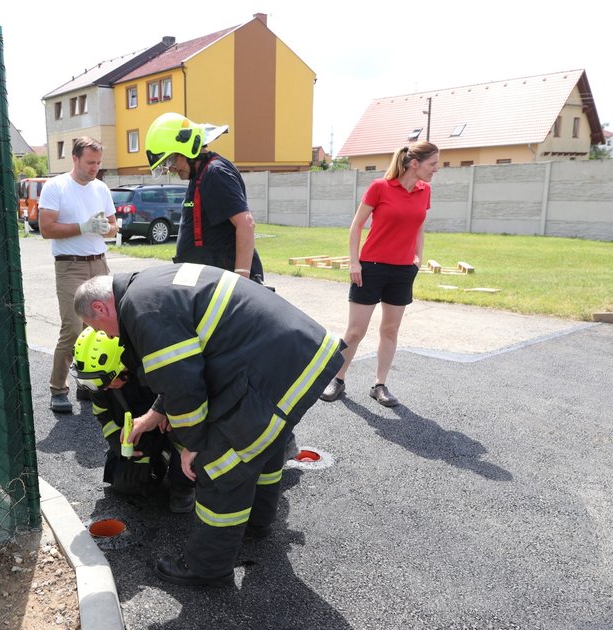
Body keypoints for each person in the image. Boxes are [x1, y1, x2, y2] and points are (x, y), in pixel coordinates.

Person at [74, 265, 344, 586]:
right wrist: (155, 415)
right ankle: (257, 523)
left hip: (272, 367)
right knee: (265, 442)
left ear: (100, 307)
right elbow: (189, 363)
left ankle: (207, 567)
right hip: (295, 355)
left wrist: (193, 445)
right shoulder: (148, 285)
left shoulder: (140, 309)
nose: (110, 337)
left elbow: (183, 386)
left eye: (101, 328)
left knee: (220, 464)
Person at [319, 141, 440, 408]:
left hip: (402, 271)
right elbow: (357, 225)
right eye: (433, 164)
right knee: (355, 331)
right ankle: (337, 379)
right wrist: (354, 262)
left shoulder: (425, 191)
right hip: (370, 268)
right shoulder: (380, 187)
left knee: (390, 330)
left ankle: (380, 385)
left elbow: (419, 227)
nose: (436, 169)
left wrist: (417, 260)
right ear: (414, 163)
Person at [70, 327, 195, 513]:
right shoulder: (99, 381)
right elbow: (103, 415)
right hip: (137, 431)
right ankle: (159, 459)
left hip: (168, 425)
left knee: (181, 429)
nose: (101, 389)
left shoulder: (153, 369)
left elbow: (184, 394)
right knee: (126, 484)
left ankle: (183, 484)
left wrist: (169, 412)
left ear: (122, 369)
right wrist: (118, 444)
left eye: (104, 383)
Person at [38, 136, 118, 414]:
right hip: (70, 265)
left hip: (99, 263)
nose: (95, 167)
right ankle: (58, 389)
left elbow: (113, 227)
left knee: (99, 329)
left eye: (98, 162)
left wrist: (103, 229)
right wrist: (83, 226)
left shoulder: (101, 188)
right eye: (90, 162)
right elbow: (46, 228)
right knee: (72, 328)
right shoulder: (56, 186)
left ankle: (88, 383)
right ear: (75, 158)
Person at [144, 112, 265, 284]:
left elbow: (246, 224)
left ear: (186, 147)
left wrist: (240, 281)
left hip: (225, 283)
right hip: (208, 280)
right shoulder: (200, 175)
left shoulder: (215, 173)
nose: (170, 168)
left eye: (171, 160)